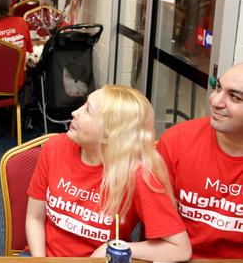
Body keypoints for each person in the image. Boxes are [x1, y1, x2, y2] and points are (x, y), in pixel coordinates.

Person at [26, 85, 191, 260]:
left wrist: (109, 248)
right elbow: (34, 218)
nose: (75, 112)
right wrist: (40, 260)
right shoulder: (54, 148)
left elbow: (180, 248)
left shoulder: (137, 174)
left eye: (87, 110)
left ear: (108, 135)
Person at [158, 63, 243, 258]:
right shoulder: (177, 141)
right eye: (218, 88)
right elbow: (161, 232)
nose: (215, 101)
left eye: (235, 97)